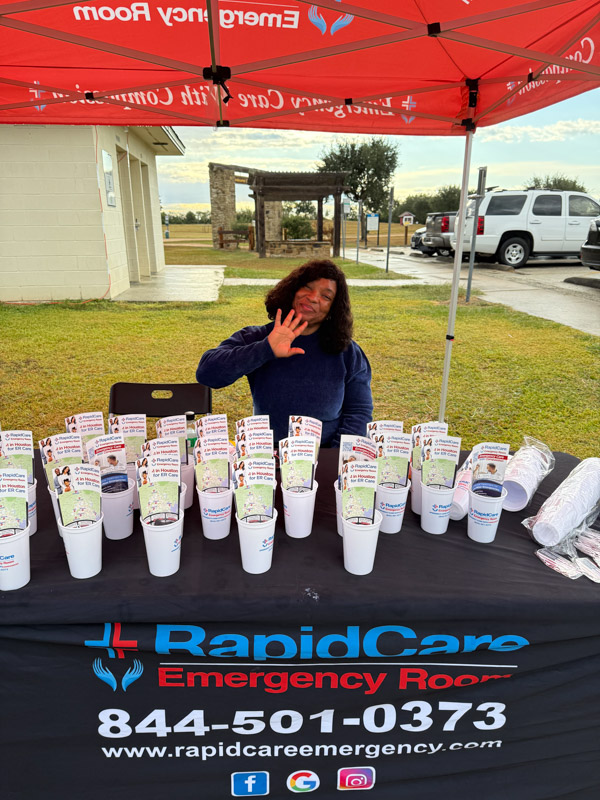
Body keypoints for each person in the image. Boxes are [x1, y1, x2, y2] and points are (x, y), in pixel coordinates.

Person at [196, 260, 373, 447]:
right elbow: (207, 374)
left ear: (332, 309)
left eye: (326, 296)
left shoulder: (347, 352)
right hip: (267, 454)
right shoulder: (259, 337)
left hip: (323, 454)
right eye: (307, 287)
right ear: (292, 291)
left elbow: (359, 412)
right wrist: (265, 349)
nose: (313, 298)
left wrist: (334, 455)